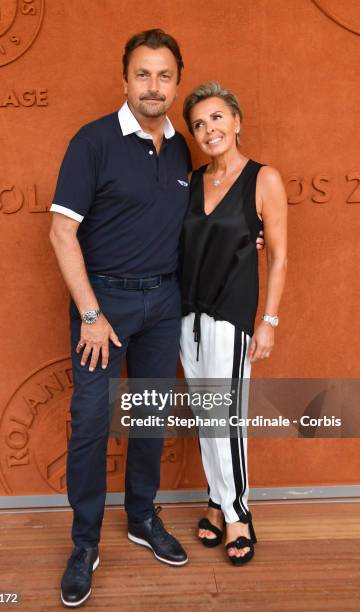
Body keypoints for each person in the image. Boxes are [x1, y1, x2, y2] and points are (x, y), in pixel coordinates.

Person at [49, 29, 265, 606]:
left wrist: (251, 237)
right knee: (93, 423)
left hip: (164, 304)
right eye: (142, 74)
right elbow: (61, 232)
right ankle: (85, 543)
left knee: (147, 420)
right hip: (104, 307)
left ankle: (143, 519)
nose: (153, 86)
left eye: (164, 75)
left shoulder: (180, 149)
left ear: (175, 82)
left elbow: (208, 219)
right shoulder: (92, 142)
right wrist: (90, 313)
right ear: (125, 80)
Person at [179, 82, 287, 565]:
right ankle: (215, 501)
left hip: (231, 316)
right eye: (199, 124)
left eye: (217, 117)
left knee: (228, 420)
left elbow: (279, 258)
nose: (209, 129)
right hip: (187, 317)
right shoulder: (191, 180)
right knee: (206, 417)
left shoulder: (264, 179)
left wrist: (268, 320)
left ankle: (239, 513)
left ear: (237, 121)